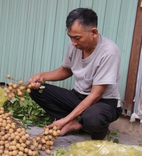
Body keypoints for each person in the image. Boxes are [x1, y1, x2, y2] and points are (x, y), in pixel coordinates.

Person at [28, 8, 122, 140]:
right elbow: (66, 70)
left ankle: (83, 125)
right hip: (78, 96)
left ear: (93, 32)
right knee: (35, 90)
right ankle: (75, 121)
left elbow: (95, 95)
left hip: (103, 102)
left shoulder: (109, 52)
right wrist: (42, 76)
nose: (73, 42)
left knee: (93, 117)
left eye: (77, 38)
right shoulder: (75, 46)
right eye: (71, 37)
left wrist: (65, 120)